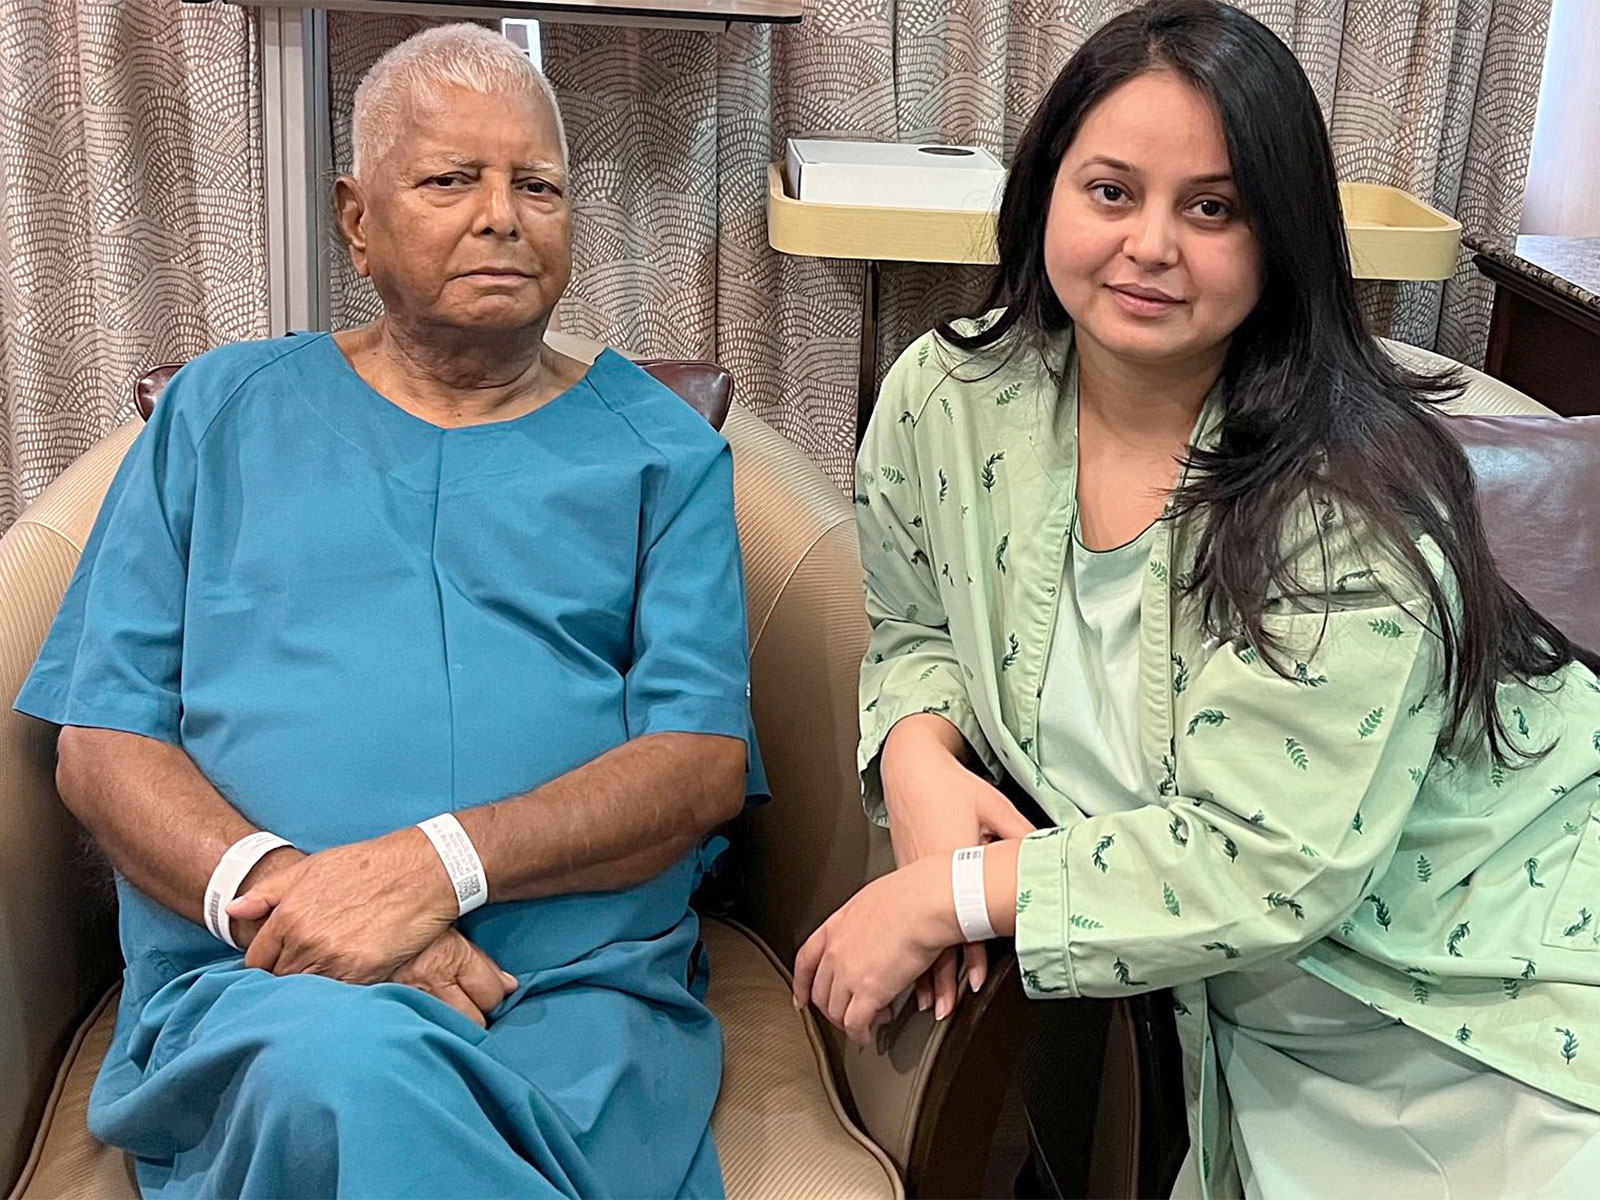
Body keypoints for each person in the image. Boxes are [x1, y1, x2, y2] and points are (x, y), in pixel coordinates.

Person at [794, 2, 1600, 1195]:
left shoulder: (1346, 505)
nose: (1150, 244)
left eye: (1211, 207)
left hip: (1502, 991)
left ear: (1280, 237)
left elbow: (1268, 859)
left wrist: (951, 895)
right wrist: (917, 757)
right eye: (1110, 191)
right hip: (1254, 1023)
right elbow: (918, 620)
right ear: (1044, 194)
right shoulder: (946, 399)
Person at [15, 23, 760, 1200]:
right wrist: (307, 901)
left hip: (564, 1001)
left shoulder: (660, 452)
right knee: (340, 1070)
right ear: (356, 220)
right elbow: (103, 741)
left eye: (539, 185)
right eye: (452, 180)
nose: (503, 215)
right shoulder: (218, 417)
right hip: (265, 981)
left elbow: (699, 762)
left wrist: (436, 867)